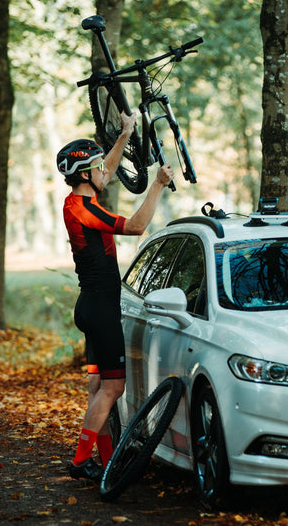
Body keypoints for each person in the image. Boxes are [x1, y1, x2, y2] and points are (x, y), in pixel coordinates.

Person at [56, 112, 174, 482]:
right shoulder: (87, 210)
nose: (104, 171)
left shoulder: (75, 200)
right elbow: (136, 226)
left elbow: (106, 170)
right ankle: (80, 461)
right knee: (113, 388)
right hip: (101, 310)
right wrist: (158, 185)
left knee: (98, 388)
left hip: (91, 306)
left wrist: (125, 134)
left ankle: (106, 462)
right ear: (84, 175)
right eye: (96, 168)